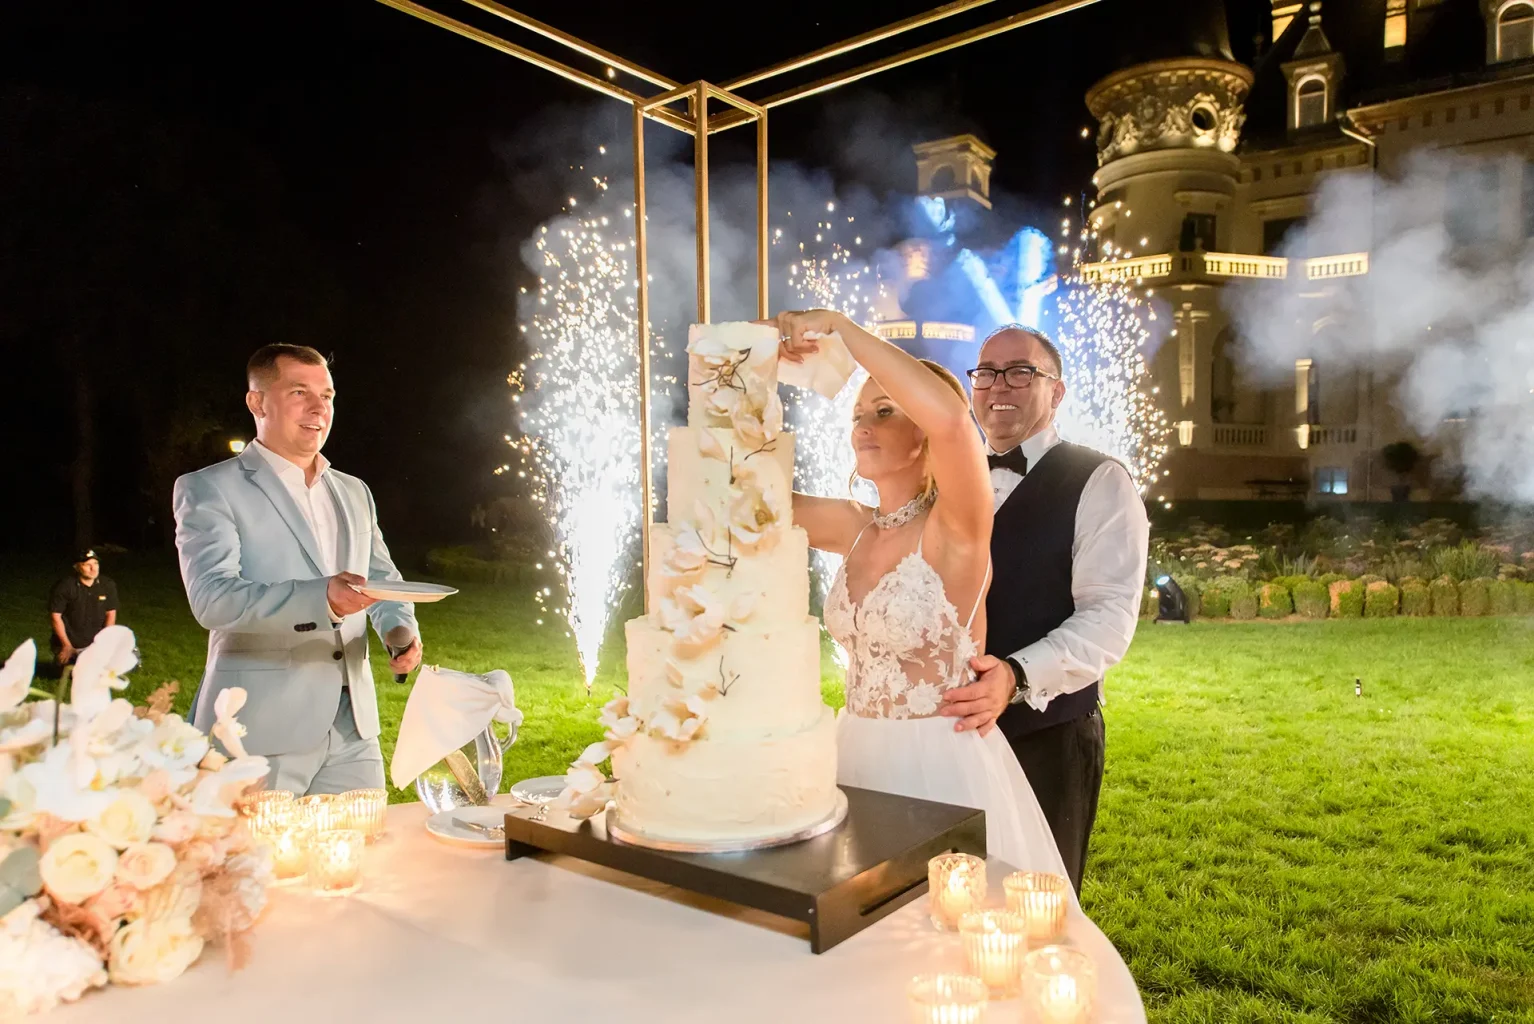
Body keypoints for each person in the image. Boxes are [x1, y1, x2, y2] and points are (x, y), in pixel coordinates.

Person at [781, 309, 1067, 876]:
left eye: (886, 411)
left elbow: (956, 424)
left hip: (937, 769)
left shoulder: (957, 526)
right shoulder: (853, 527)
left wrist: (842, 328)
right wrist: (755, 362)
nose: (863, 425)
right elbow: (748, 489)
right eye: (859, 414)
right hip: (850, 756)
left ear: (922, 435)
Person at [938, 325, 1150, 893]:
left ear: (1056, 392)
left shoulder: (1100, 480)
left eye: (1020, 372)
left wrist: (1018, 674)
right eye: (986, 372)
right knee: (945, 901)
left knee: (1034, 905)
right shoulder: (944, 480)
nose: (998, 385)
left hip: (1047, 736)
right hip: (945, 736)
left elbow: (1108, 618)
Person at [173, 343, 423, 795]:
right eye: (299, 392)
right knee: (257, 866)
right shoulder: (209, 488)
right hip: (256, 732)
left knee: (366, 861)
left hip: (354, 734)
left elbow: (381, 579)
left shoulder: (353, 491)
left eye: (327, 395)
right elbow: (213, 598)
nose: (318, 408)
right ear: (257, 402)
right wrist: (321, 597)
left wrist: (398, 629)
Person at [48, 548, 119, 667]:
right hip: (72, 642)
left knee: (126, 659)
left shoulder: (107, 585)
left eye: (96, 563)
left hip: (96, 642)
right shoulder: (65, 586)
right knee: (71, 671)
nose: (93, 568)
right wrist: (66, 645)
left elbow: (111, 613)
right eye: (87, 565)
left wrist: (105, 641)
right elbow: (55, 616)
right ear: (77, 567)